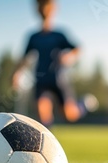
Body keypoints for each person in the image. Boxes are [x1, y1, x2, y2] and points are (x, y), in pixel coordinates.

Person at [12, 0, 97, 128]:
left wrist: (69, 56)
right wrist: (16, 74)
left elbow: (78, 48)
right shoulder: (34, 37)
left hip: (59, 80)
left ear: (52, 10)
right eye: (40, 7)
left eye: (45, 7)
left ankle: (83, 105)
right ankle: (46, 144)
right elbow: (24, 58)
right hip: (41, 80)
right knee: (42, 114)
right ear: (37, 10)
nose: (43, 10)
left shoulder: (59, 35)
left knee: (69, 115)